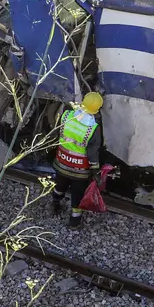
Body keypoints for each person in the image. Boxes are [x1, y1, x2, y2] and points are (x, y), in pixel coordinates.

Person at [51, 92, 103, 228]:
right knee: (77, 195)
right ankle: (74, 222)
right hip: (79, 171)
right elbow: (93, 152)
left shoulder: (66, 115)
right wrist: (95, 170)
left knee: (59, 186)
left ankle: (54, 205)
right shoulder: (93, 128)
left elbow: (57, 134)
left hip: (62, 162)